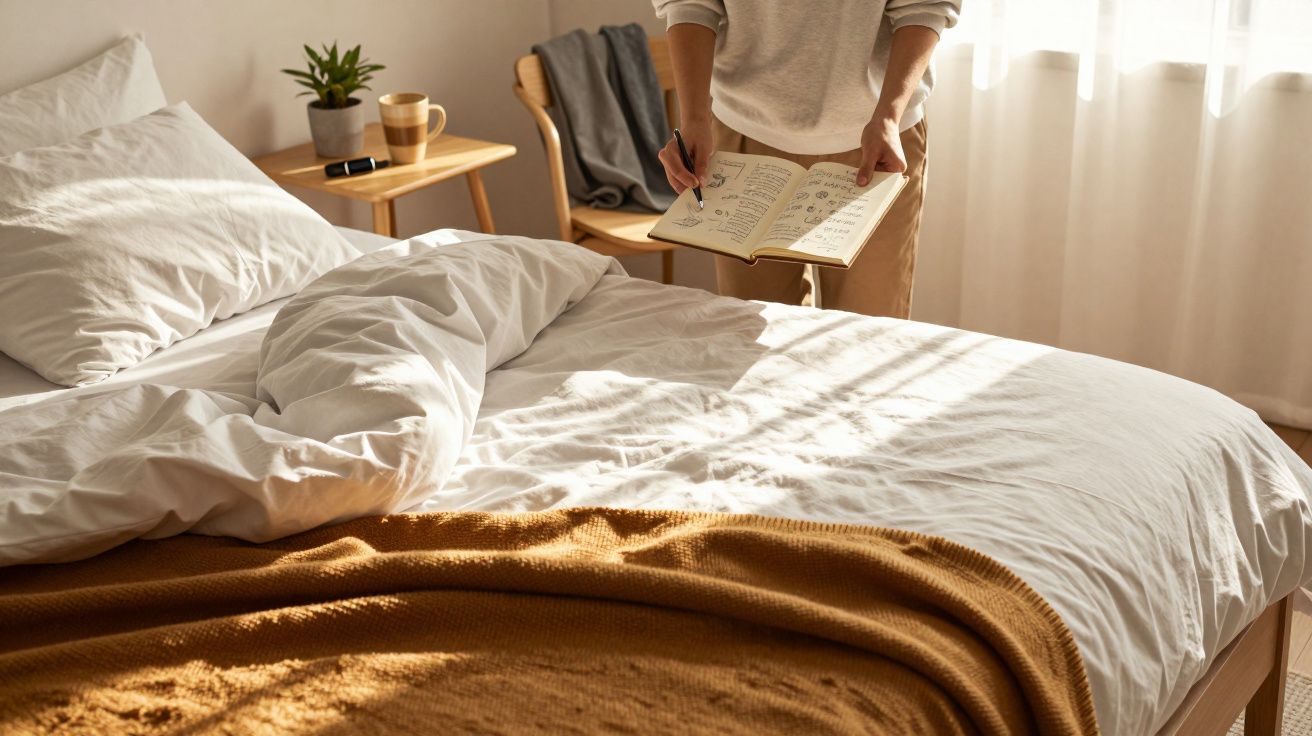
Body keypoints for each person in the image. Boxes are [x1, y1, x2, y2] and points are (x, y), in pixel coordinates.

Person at [652, 0, 960, 318]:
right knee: (754, 338)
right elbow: (691, 4)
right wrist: (694, 119)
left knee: (865, 340)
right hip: (745, 139)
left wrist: (889, 115)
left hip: (878, 144)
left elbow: (924, 6)